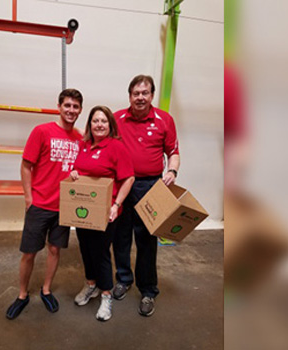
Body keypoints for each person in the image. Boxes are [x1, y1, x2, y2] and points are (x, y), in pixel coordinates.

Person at [6, 89, 84, 320]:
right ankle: (22, 295)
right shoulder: (42, 131)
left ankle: (46, 289)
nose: (71, 110)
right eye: (67, 105)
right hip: (40, 204)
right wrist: (29, 198)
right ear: (59, 106)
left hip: (64, 207)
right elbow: (26, 165)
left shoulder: (80, 138)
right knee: (29, 253)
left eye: (76, 107)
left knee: (54, 249)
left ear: (80, 110)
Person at [112, 75, 180, 317]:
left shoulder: (164, 120)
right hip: (121, 185)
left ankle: (148, 290)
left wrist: (172, 170)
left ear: (151, 95)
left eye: (145, 93)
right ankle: (123, 279)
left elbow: (173, 151)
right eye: (135, 93)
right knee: (120, 236)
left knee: (147, 240)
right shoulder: (117, 118)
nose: (140, 97)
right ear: (129, 95)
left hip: (149, 186)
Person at [70, 106, 134, 321]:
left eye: (103, 121)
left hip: (106, 211)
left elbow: (128, 178)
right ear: (90, 124)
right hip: (84, 209)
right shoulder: (84, 145)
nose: (99, 124)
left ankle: (106, 294)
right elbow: (81, 169)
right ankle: (91, 285)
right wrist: (75, 172)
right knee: (86, 249)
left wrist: (116, 205)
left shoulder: (116, 147)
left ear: (110, 125)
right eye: (95, 121)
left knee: (101, 252)